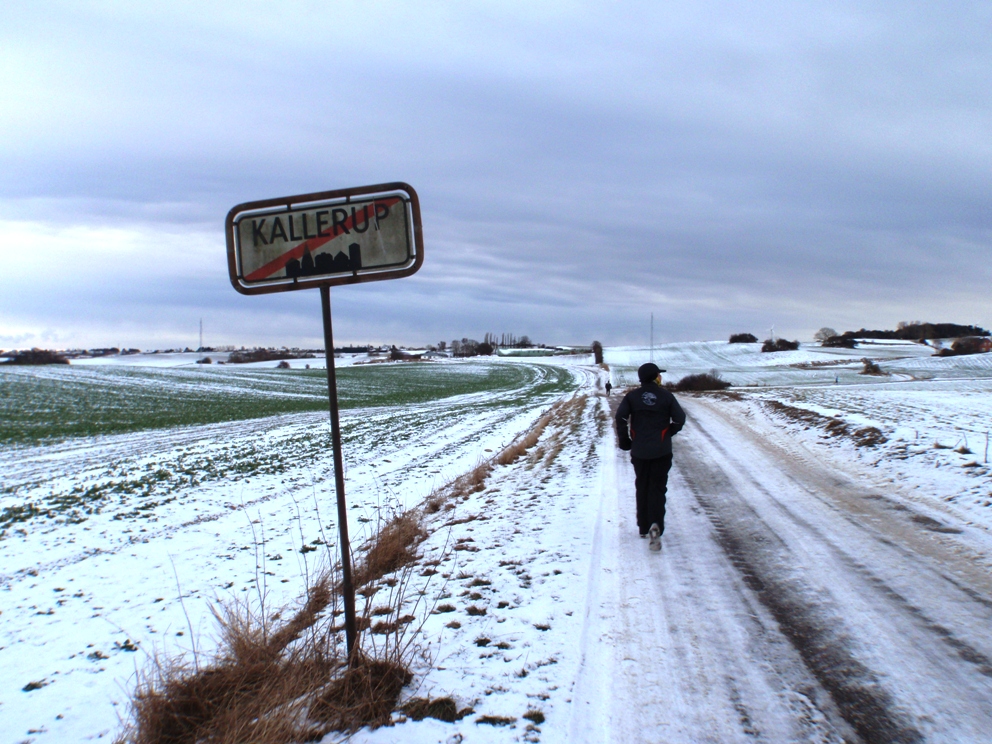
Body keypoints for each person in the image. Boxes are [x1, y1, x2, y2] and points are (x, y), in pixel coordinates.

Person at [615, 362, 686, 551]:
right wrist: (668, 432)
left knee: (642, 485)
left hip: (639, 451)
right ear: (654, 377)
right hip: (662, 451)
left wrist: (625, 439)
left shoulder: (632, 397)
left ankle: (643, 527)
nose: (661, 377)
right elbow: (680, 418)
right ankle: (656, 524)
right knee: (658, 487)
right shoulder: (666, 396)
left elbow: (620, 417)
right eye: (659, 375)